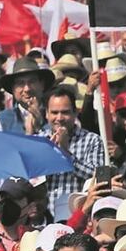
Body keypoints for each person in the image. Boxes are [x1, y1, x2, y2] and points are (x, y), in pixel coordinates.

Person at [41, 86, 105, 219]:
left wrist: (65, 154)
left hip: (79, 218)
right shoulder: (39, 140)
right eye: (54, 112)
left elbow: (97, 178)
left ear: (75, 113)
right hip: (45, 220)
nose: (59, 118)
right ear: (46, 114)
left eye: (65, 112)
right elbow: (30, 181)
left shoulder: (92, 140)